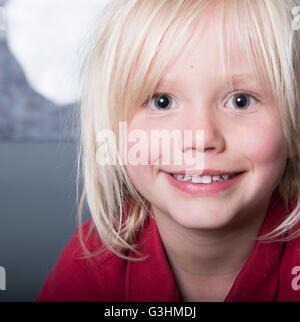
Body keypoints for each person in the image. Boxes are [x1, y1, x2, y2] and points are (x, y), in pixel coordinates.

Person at [36, 0, 300, 302]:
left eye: (241, 100)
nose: (201, 137)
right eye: (162, 102)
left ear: (294, 127)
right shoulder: (96, 264)